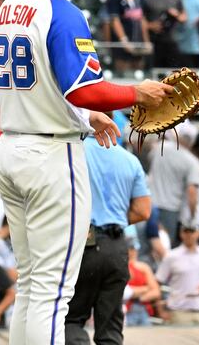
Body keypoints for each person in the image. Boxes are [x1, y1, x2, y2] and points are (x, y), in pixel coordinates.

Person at [0, 0, 171, 345]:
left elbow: (3, 85)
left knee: (32, 285)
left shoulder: (7, 7)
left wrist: (84, 118)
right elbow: (85, 89)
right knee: (52, 294)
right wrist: (136, 93)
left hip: (11, 148)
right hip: (50, 159)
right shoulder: (62, 11)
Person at [64, 130, 153, 345]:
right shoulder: (130, 159)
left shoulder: (71, 152)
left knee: (71, 319)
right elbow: (143, 211)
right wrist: (113, 218)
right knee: (111, 325)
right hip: (117, 245)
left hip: (82, 242)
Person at [148, 126, 199, 246]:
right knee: (165, 246)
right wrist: (192, 216)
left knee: (148, 245)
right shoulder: (192, 161)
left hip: (150, 205)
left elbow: (149, 159)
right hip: (170, 209)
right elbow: (192, 192)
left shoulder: (161, 148)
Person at [155, 223, 199, 325]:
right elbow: (157, 281)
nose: (189, 235)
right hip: (178, 312)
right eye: (186, 232)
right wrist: (160, 309)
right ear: (181, 234)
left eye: (192, 232)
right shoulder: (171, 256)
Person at [124, 236, 161, 327]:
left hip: (143, 308)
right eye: (130, 248)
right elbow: (125, 292)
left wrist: (139, 297)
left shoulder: (143, 267)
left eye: (134, 249)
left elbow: (156, 292)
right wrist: (145, 289)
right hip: (126, 309)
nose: (132, 252)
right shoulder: (120, 267)